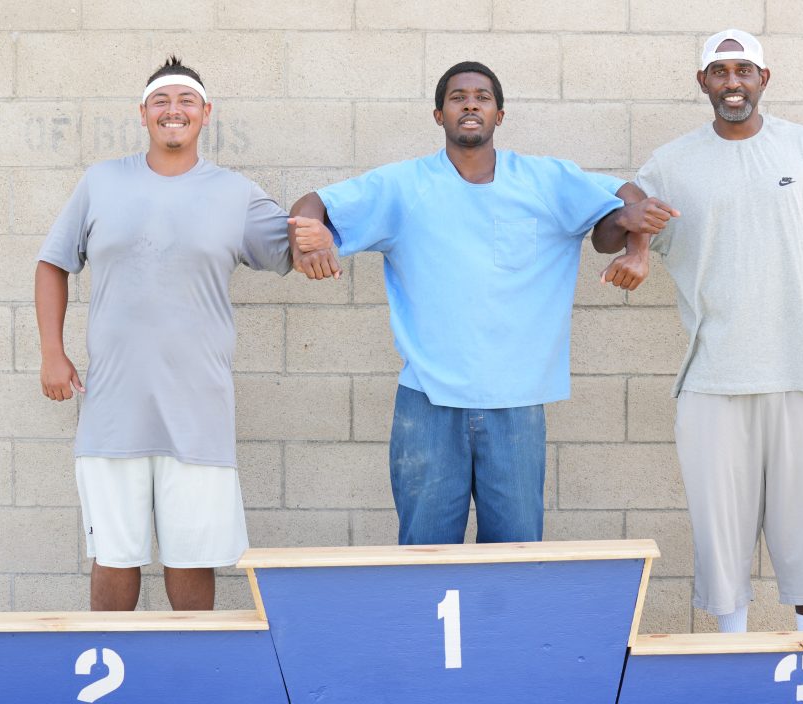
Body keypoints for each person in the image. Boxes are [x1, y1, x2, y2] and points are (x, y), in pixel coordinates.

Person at [289, 61, 676, 546]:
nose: (470, 103)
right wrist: (313, 237)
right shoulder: (404, 186)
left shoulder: (544, 180)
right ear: (438, 115)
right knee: (426, 558)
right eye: (457, 96)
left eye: (482, 96)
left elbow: (625, 200)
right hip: (427, 402)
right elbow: (312, 202)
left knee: (514, 559)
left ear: (500, 114)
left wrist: (637, 249)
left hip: (516, 403)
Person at [34, 57, 317, 610]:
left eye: (186, 101)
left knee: (191, 557)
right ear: (143, 114)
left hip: (198, 413)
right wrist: (52, 352)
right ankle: (117, 684)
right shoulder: (101, 182)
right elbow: (52, 264)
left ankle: (191, 682)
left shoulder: (235, 194)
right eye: (161, 101)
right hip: (113, 410)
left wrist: (319, 227)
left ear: (205, 113)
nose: (173, 111)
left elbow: (296, 242)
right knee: (114, 556)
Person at [635, 30, 803, 633]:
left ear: (764, 79)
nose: (732, 82)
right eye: (720, 72)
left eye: (744, 70)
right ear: (703, 84)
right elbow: (618, 219)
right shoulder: (671, 162)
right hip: (713, 378)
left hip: (802, 369)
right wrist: (632, 234)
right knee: (722, 539)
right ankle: (733, 665)